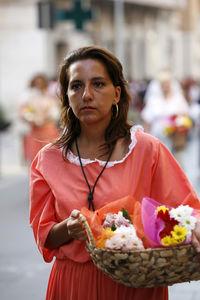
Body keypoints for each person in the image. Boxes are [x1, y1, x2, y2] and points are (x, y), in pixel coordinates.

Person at [30, 46, 200, 300]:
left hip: (137, 286)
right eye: (76, 86)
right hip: (75, 286)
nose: (86, 94)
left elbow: (187, 209)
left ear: (116, 94)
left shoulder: (146, 150)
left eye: (98, 84)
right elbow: (45, 236)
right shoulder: (48, 159)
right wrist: (70, 228)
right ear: (66, 96)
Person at [19, 73, 60, 163]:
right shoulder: (29, 96)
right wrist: (30, 119)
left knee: (50, 156)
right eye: (36, 82)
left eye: (40, 82)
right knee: (35, 157)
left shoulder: (50, 95)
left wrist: (44, 119)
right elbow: (25, 111)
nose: (39, 84)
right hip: (35, 130)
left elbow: (54, 113)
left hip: (48, 130)